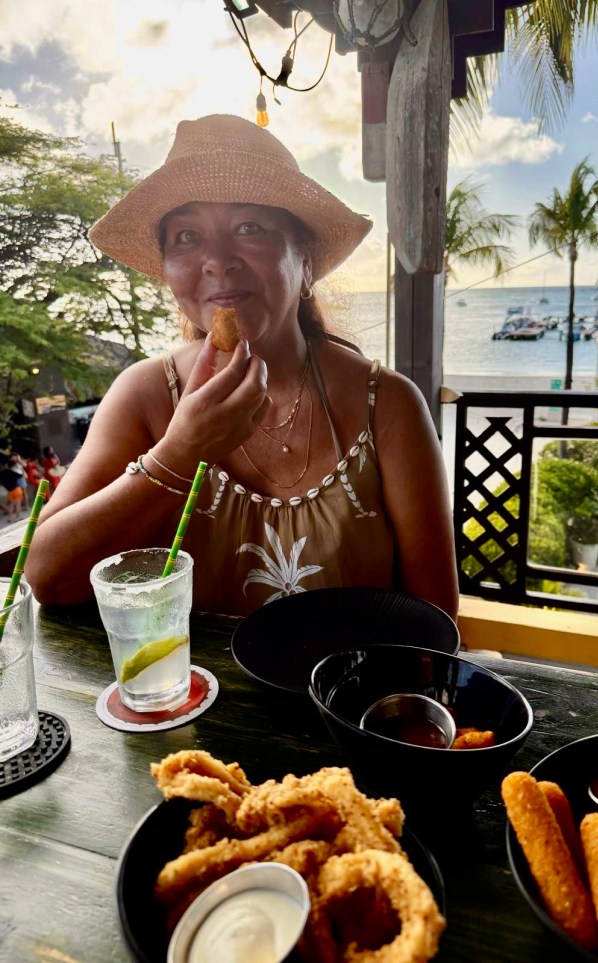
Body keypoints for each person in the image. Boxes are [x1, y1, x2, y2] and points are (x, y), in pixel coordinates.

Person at [26, 114, 458, 620]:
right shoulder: (144, 394)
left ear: (307, 265)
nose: (217, 260)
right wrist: (179, 454)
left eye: (249, 228)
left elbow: (435, 617)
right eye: (187, 238)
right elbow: (48, 576)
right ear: (168, 271)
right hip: (195, 696)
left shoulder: (386, 403)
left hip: (345, 695)